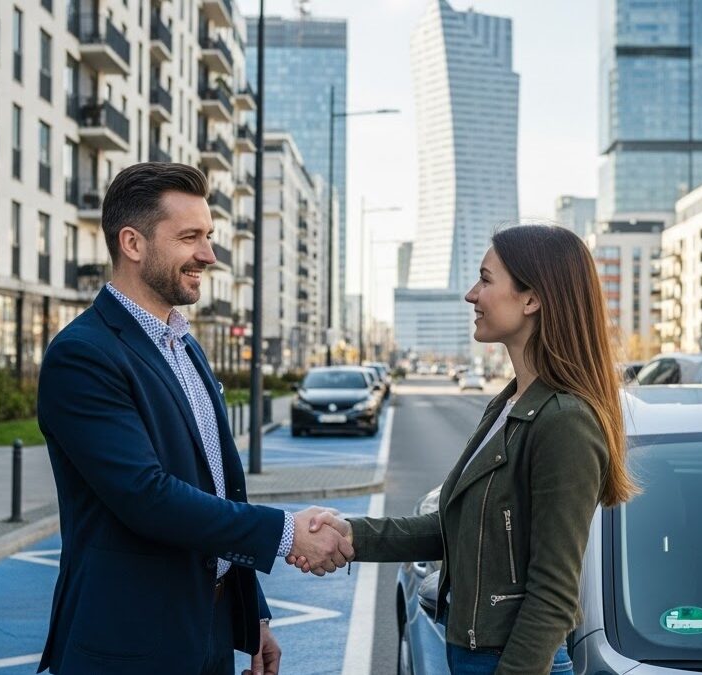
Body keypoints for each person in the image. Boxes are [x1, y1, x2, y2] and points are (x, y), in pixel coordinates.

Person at [36, 162, 353, 675]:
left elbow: (222, 491)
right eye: (190, 237)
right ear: (133, 244)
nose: (209, 254)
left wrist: (254, 619)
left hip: (211, 630)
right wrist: (286, 533)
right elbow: (147, 496)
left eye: (208, 236)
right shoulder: (83, 355)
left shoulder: (183, 344)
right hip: (131, 646)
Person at [293, 225, 638, 674]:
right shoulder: (510, 404)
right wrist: (350, 533)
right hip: (476, 654)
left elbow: (554, 595)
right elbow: (455, 527)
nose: (471, 295)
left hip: (512, 662)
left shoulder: (564, 420)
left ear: (532, 299)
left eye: (486, 279)